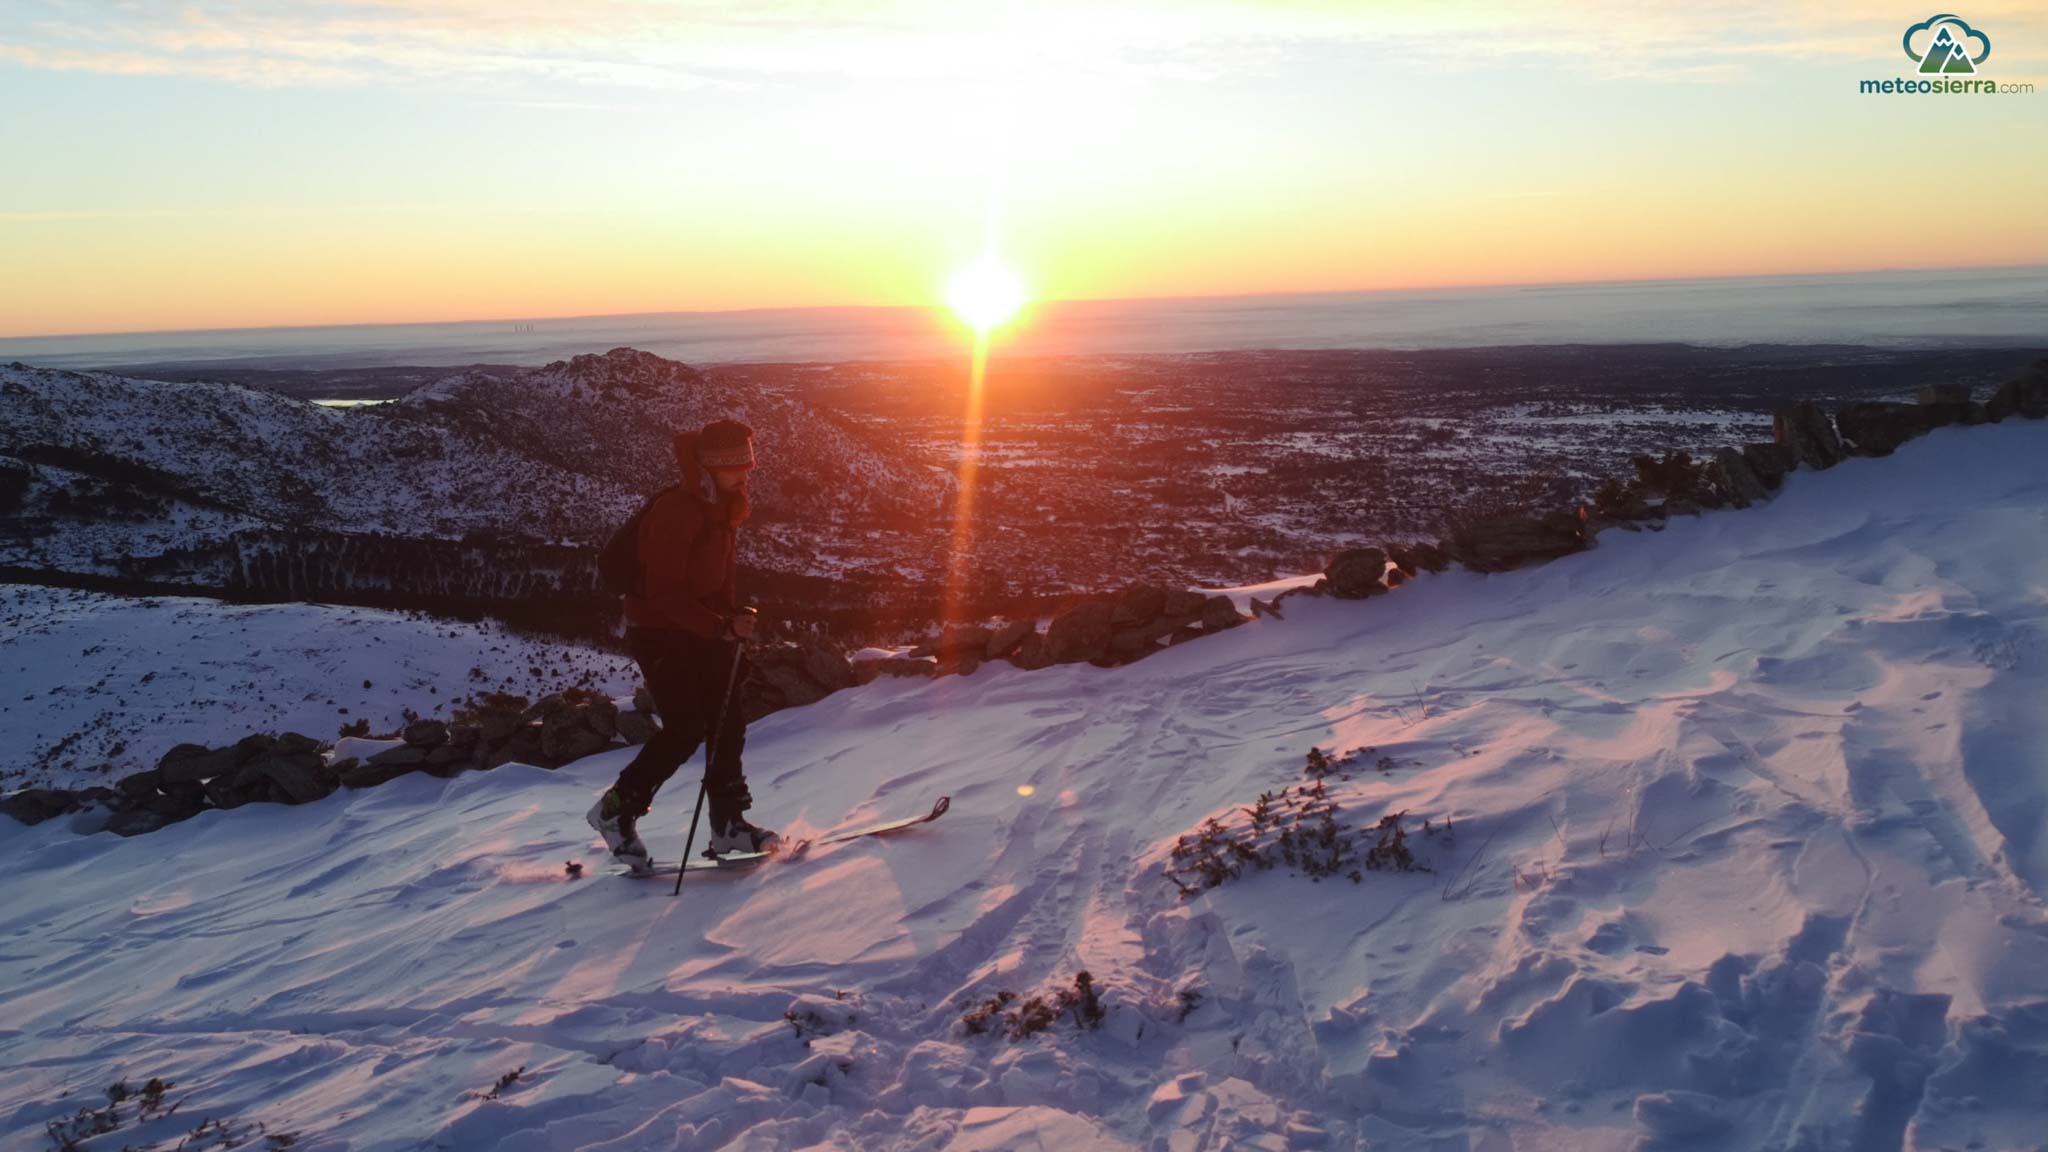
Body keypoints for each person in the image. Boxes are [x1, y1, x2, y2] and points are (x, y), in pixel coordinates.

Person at [587, 419, 780, 867]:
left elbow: (718, 579)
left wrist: (731, 617)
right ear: (711, 468)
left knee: (727, 721)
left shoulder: (724, 509)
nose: (745, 475)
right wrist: (719, 628)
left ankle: (728, 825)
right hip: (659, 632)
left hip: (703, 628)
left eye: (747, 466)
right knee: (686, 727)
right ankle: (615, 811)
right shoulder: (678, 510)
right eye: (735, 467)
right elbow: (663, 593)